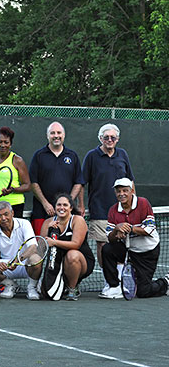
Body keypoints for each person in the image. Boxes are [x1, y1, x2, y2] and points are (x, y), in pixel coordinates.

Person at [81, 124, 135, 292]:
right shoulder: (91, 156)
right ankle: (109, 280)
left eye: (113, 137)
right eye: (106, 137)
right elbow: (82, 183)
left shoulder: (123, 154)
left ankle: (119, 281)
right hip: (99, 210)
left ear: (117, 139)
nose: (110, 140)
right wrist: (81, 206)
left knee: (121, 245)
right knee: (103, 246)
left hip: (123, 211)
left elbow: (130, 181)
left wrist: (134, 205)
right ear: (100, 139)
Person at [99, 178, 169, 299]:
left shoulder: (143, 203)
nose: (122, 194)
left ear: (131, 191)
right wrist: (117, 230)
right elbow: (110, 238)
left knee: (143, 291)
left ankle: (166, 282)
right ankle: (114, 286)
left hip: (148, 251)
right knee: (107, 249)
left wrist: (129, 228)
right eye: (118, 191)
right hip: (128, 249)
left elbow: (149, 230)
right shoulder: (113, 210)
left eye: (125, 190)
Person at [29, 122, 84, 235]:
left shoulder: (72, 156)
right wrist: (45, 204)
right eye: (52, 133)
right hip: (42, 210)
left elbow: (78, 182)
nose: (56, 135)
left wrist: (67, 202)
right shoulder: (39, 155)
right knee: (42, 244)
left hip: (66, 212)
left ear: (64, 135)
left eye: (59, 133)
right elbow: (33, 183)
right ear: (47, 136)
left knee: (65, 245)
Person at [40, 193, 95, 301]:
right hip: (58, 263)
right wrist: (48, 231)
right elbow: (41, 247)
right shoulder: (48, 222)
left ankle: (72, 289)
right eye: (59, 205)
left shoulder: (77, 220)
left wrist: (55, 242)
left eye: (65, 205)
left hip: (81, 261)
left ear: (71, 208)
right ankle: (35, 286)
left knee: (72, 254)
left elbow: (76, 244)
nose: (61, 208)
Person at [0, 201, 41, 300]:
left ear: (12, 213)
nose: (3, 218)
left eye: (6, 214)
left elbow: (32, 247)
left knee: (36, 260)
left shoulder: (25, 223)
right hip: (6, 265)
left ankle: (32, 287)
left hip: (24, 262)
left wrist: (17, 260)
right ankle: (10, 285)